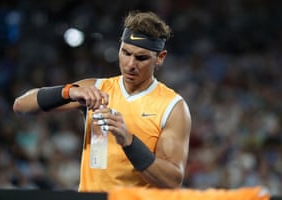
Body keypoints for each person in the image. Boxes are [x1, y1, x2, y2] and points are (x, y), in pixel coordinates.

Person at [13, 10, 191, 192]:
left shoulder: (173, 107)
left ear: (160, 58)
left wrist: (129, 141)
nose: (130, 64)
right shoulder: (96, 88)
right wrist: (69, 92)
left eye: (141, 58)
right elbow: (21, 106)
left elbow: (172, 180)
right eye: (126, 53)